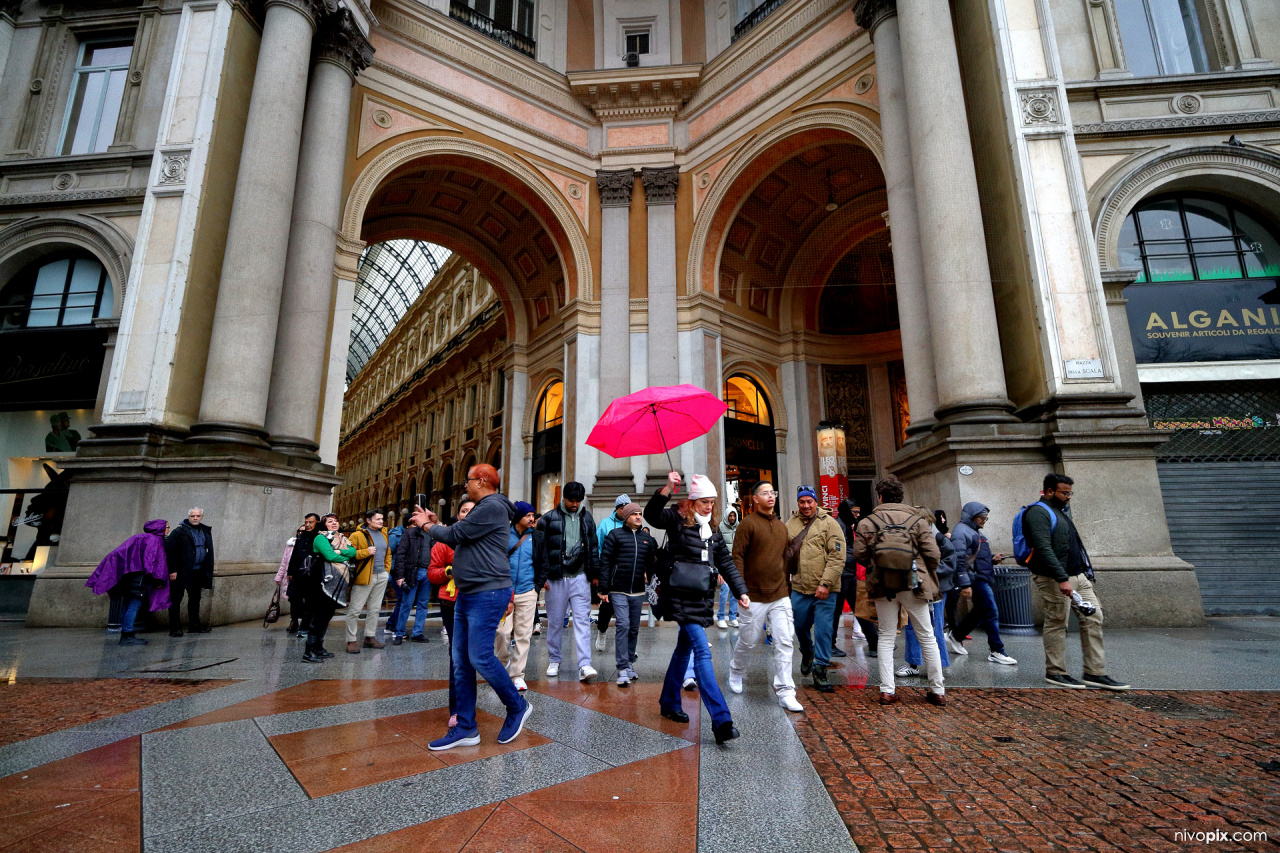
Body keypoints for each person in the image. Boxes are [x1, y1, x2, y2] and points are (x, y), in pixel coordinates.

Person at [414, 464, 532, 750]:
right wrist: (436, 522)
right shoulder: (485, 509)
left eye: (467, 481)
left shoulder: (492, 506)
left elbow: (455, 535)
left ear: (481, 481)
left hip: (487, 592)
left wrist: (426, 525)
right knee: (461, 662)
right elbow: (459, 532)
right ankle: (466, 726)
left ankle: (517, 706)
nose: (464, 485)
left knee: (479, 657)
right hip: (468, 593)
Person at [645, 471, 750, 745]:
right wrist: (668, 488)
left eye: (712, 502)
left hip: (700, 598)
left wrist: (741, 592)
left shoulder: (712, 530)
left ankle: (668, 701)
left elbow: (725, 562)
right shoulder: (676, 520)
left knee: (684, 649)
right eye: (703, 501)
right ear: (692, 501)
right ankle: (722, 720)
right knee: (702, 651)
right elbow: (652, 515)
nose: (709, 506)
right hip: (679, 598)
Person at [1026, 473, 1130, 691]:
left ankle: (1095, 672)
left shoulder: (1060, 512)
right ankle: (1056, 671)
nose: (1069, 497)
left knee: (1094, 617)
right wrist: (1062, 579)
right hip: (1055, 578)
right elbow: (1043, 548)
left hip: (1078, 576)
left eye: (1070, 492)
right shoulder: (1038, 512)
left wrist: (1082, 573)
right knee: (1057, 622)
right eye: (1065, 492)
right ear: (1050, 491)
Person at [852, 476, 944, 707]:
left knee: (885, 636)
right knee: (926, 635)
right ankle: (937, 690)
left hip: (883, 584)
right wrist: (922, 570)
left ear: (880, 497)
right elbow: (933, 554)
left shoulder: (867, 522)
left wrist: (877, 563)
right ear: (902, 497)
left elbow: (859, 555)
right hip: (914, 583)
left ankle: (887, 690)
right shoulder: (918, 520)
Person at [726, 481, 801, 712]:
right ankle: (736, 672)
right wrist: (740, 589)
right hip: (752, 595)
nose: (771, 496)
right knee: (748, 641)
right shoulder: (747, 524)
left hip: (779, 594)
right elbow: (737, 557)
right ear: (755, 499)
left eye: (773, 492)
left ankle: (786, 690)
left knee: (785, 640)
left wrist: (788, 576)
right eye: (765, 493)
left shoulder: (781, 527)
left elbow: (784, 558)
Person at [536, 481, 599, 682]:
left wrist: (594, 573)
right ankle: (554, 660)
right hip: (556, 577)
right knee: (555, 621)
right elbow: (540, 551)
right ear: (563, 498)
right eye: (572, 500)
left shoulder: (587, 518)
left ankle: (585, 664)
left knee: (582, 621)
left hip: (580, 576)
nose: (575, 504)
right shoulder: (548, 519)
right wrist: (542, 576)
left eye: (578, 501)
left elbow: (594, 547)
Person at [786, 485, 845, 693]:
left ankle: (820, 669)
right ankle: (807, 651)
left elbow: (837, 557)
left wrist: (825, 583)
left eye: (809, 501)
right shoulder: (790, 525)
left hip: (826, 590)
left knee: (823, 630)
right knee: (800, 625)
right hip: (800, 587)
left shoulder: (830, 524)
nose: (806, 505)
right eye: (802, 501)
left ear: (816, 501)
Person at [945, 503, 1017, 666]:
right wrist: (965, 584)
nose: (984, 521)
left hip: (980, 577)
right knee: (991, 611)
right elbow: (960, 560)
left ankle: (957, 635)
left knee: (981, 611)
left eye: (986, 518)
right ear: (971, 517)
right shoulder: (962, 532)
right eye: (982, 518)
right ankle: (996, 650)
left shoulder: (972, 531)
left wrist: (992, 559)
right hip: (975, 578)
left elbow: (975, 557)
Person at [86, 519, 172, 645]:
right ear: (160, 528)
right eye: (167, 527)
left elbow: (119, 553)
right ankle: (127, 635)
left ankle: (126, 633)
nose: (168, 529)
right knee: (134, 606)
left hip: (130, 577)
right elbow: (150, 561)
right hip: (140, 579)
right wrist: (157, 578)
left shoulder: (139, 537)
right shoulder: (154, 540)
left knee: (127, 605)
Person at [599, 502, 655, 686]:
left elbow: (652, 562)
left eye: (640, 514)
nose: (638, 517)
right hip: (618, 589)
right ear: (626, 517)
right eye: (634, 514)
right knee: (623, 624)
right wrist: (603, 588)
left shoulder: (646, 539)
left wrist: (653, 579)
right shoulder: (615, 536)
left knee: (634, 628)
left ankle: (630, 662)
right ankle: (622, 667)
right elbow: (605, 562)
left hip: (638, 590)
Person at [427, 500, 473, 723]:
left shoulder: (484, 540)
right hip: (451, 602)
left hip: (477, 601)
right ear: (458, 516)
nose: (468, 514)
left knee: (475, 655)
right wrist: (448, 571)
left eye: (472, 511)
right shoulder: (444, 543)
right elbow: (432, 573)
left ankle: (469, 702)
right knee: (457, 656)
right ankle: (457, 708)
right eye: (464, 511)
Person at [898, 516, 955, 679]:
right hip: (916, 588)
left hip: (935, 588)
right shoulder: (910, 539)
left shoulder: (939, 539)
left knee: (935, 627)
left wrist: (927, 572)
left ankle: (939, 665)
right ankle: (913, 663)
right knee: (911, 626)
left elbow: (950, 562)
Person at [497, 501, 543, 692]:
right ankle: (501, 665)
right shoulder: (504, 535)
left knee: (524, 635)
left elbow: (543, 562)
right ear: (518, 517)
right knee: (502, 632)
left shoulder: (538, 537)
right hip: (504, 591)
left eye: (533, 515)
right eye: (527, 515)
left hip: (527, 591)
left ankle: (517, 675)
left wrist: (536, 587)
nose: (532, 519)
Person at [306, 513, 356, 662]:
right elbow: (329, 556)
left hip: (337, 582)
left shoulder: (342, 538)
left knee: (327, 616)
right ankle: (309, 652)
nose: (334, 523)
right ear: (324, 524)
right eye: (330, 521)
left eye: (336, 521)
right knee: (318, 617)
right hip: (321, 582)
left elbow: (353, 552)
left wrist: (340, 552)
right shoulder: (320, 538)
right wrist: (344, 556)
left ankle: (319, 648)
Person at [345, 510, 392, 654]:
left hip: (381, 575)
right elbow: (348, 554)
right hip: (365, 576)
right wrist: (366, 552)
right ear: (368, 520)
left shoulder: (384, 533)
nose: (381, 521)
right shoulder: (357, 535)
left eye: (382, 519)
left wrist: (386, 570)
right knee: (355, 609)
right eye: (377, 519)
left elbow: (387, 552)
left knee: (375, 609)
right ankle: (351, 640)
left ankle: (370, 637)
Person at [165, 507, 215, 636]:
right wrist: (173, 570)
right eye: (192, 516)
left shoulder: (205, 531)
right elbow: (170, 552)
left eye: (198, 516)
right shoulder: (179, 532)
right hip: (181, 572)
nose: (195, 518)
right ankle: (175, 628)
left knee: (195, 599)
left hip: (198, 571)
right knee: (176, 599)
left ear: (201, 516)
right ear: (189, 517)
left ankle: (194, 625)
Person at [593, 494, 631, 652]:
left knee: (628, 610)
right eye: (622, 509)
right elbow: (598, 547)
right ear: (616, 509)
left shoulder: (632, 525)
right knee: (607, 607)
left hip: (627, 571)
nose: (625, 512)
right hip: (609, 571)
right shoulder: (605, 524)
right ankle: (602, 631)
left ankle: (628, 644)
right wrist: (599, 571)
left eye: (627, 508)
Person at [274, 514, 320, 636]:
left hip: (311, 576)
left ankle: (304, 626)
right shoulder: (300, 538)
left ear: (317, 523)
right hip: (297, 575)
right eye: (306, 522)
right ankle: (294, 620)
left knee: (309, 602)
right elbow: (293, 556)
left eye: (311, 522)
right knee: (294, 600)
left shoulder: (319, 538)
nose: (308, 525)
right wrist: (290, 572)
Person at [390, 514, 432, 644]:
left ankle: (417, 632)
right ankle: (399, 632)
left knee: (423, 604)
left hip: (428, 572)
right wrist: (400, 576)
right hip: (412, 572)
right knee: (406, 603)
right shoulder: (409, 533)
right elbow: (400, 555)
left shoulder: (431, 532)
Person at [831, 499, 865, 657]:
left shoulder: (845, 524)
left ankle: (874, 640)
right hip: (843, 573)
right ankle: (830, 645)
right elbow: (841, 550)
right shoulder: (839, 525)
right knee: (836, 610)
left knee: (858, 607)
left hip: (848, 572)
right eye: (855, 512)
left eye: (859, 512)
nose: (857, 516)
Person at [716, 509, 740, 629]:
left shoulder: (739, 527)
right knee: (725, 589)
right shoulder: (720, 527)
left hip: (735, 563)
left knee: (735, 591)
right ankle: (720, 617)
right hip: (724, 563)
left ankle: (732, 617)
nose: (732, 517)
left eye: (733, 515)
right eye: (730, 515)